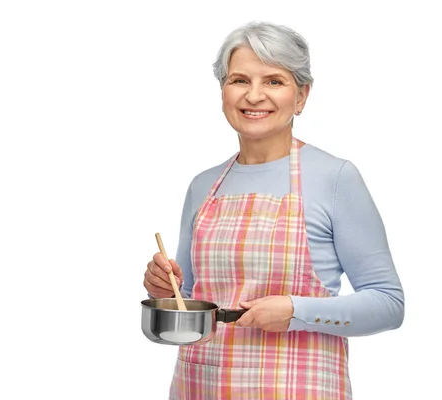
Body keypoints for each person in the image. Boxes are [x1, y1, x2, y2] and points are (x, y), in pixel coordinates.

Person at [143, 21, 404, 400]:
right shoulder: (204, 185)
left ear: (302, 96)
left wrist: (297, 311)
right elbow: (188, 297)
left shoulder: (335, 178)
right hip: (201, 386)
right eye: (239, 80)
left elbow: (388, 303)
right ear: (222, 91)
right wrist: (165, 289)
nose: (254, 95)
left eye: (274, 81)